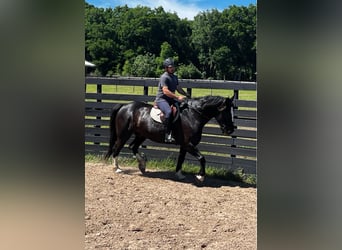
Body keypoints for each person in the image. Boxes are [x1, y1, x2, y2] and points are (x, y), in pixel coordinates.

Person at [155, 58, 188, 143]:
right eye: (170, 67)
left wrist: (186, 95)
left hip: (170, 99)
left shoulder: (174, 77)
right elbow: (165, 91)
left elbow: (178, 88)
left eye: (173, 67)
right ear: (166, 68)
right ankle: (167, 134)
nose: (172, 68)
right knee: (169, 112)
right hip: (162, 99)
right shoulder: (164, 77)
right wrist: (177, 97)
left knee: (184, 108)